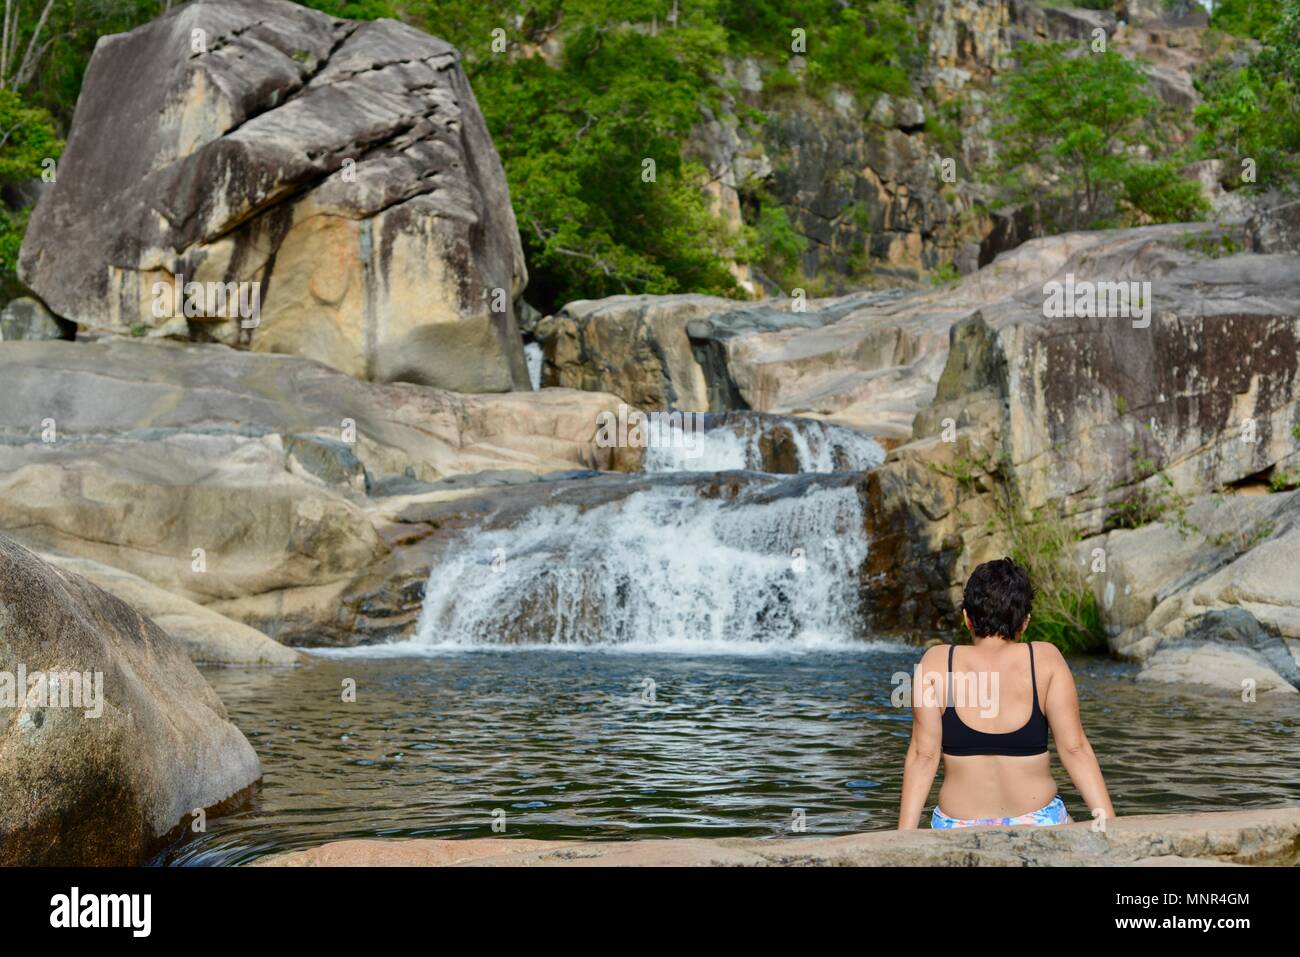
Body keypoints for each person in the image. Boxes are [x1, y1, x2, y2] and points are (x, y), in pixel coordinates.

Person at [898, 558, 1116, 829]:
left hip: (957, 826)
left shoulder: (938, 662)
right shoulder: (1045, 659)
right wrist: (1110, 827)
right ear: (1025, 622)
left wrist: (904, 838)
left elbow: (923, 756)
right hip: (1038, 821)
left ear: (966, 617)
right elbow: (1074, 748)